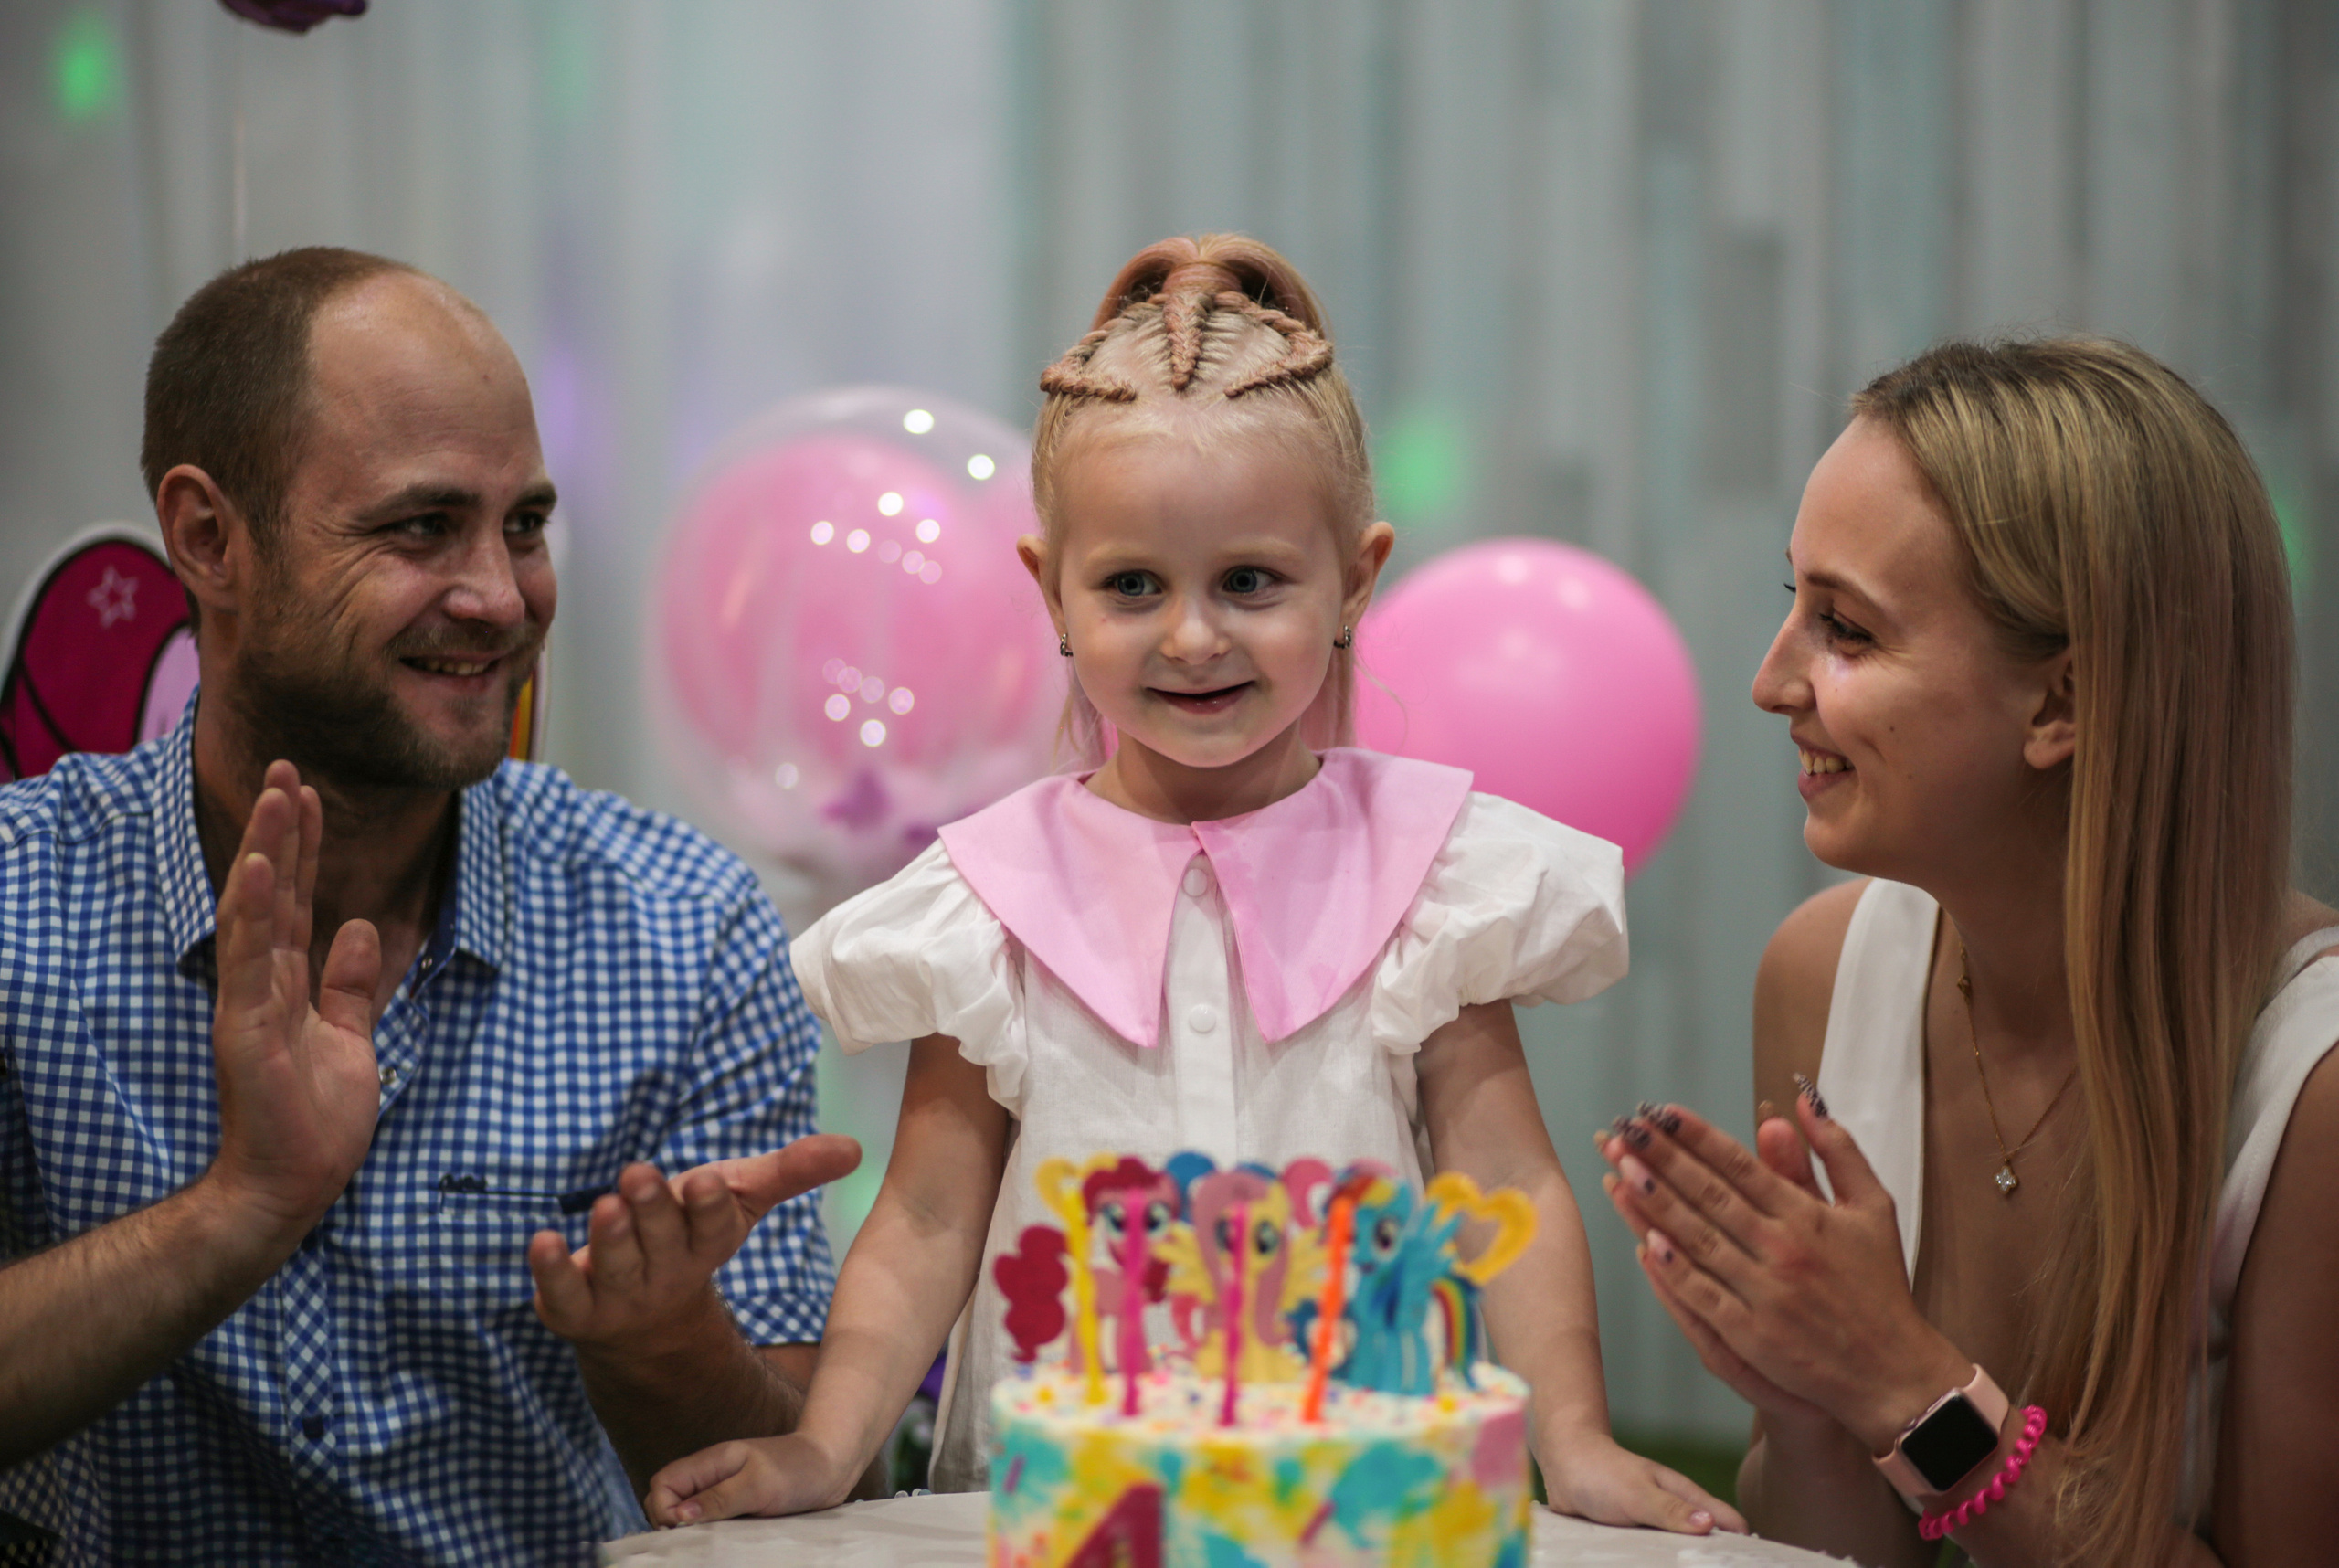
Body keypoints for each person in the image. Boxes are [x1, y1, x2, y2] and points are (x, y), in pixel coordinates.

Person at [636, 233, 1743, 1535]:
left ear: (1356, 582)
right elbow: (929, 1211)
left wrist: (1578, 1444)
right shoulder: (991, 895)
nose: (1195, 634)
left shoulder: (1430, 875)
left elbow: (1506, 1183)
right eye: (1132, 587)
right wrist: (825, 1449)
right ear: (1049, 590)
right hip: (1068, 1519)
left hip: (1364, 1515)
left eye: (1252, 582)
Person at [0, 247, 875, 1566]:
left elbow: (792, 1483)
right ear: (207, 536)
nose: (501, 595)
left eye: (523, 524)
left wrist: (660, 1338)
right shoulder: (22, 904)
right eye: (421, 527)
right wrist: (241, 1208)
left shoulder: (678, 927)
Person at [1598, 337, 2339, 1565]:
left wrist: (1907, 1389)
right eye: (1790, 603)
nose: (1770, 681)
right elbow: (1839, 1551)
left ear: (2061, 704)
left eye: (1844, 628)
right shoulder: (1820, 977)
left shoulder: (2308, 1092)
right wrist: (1811, 1409)